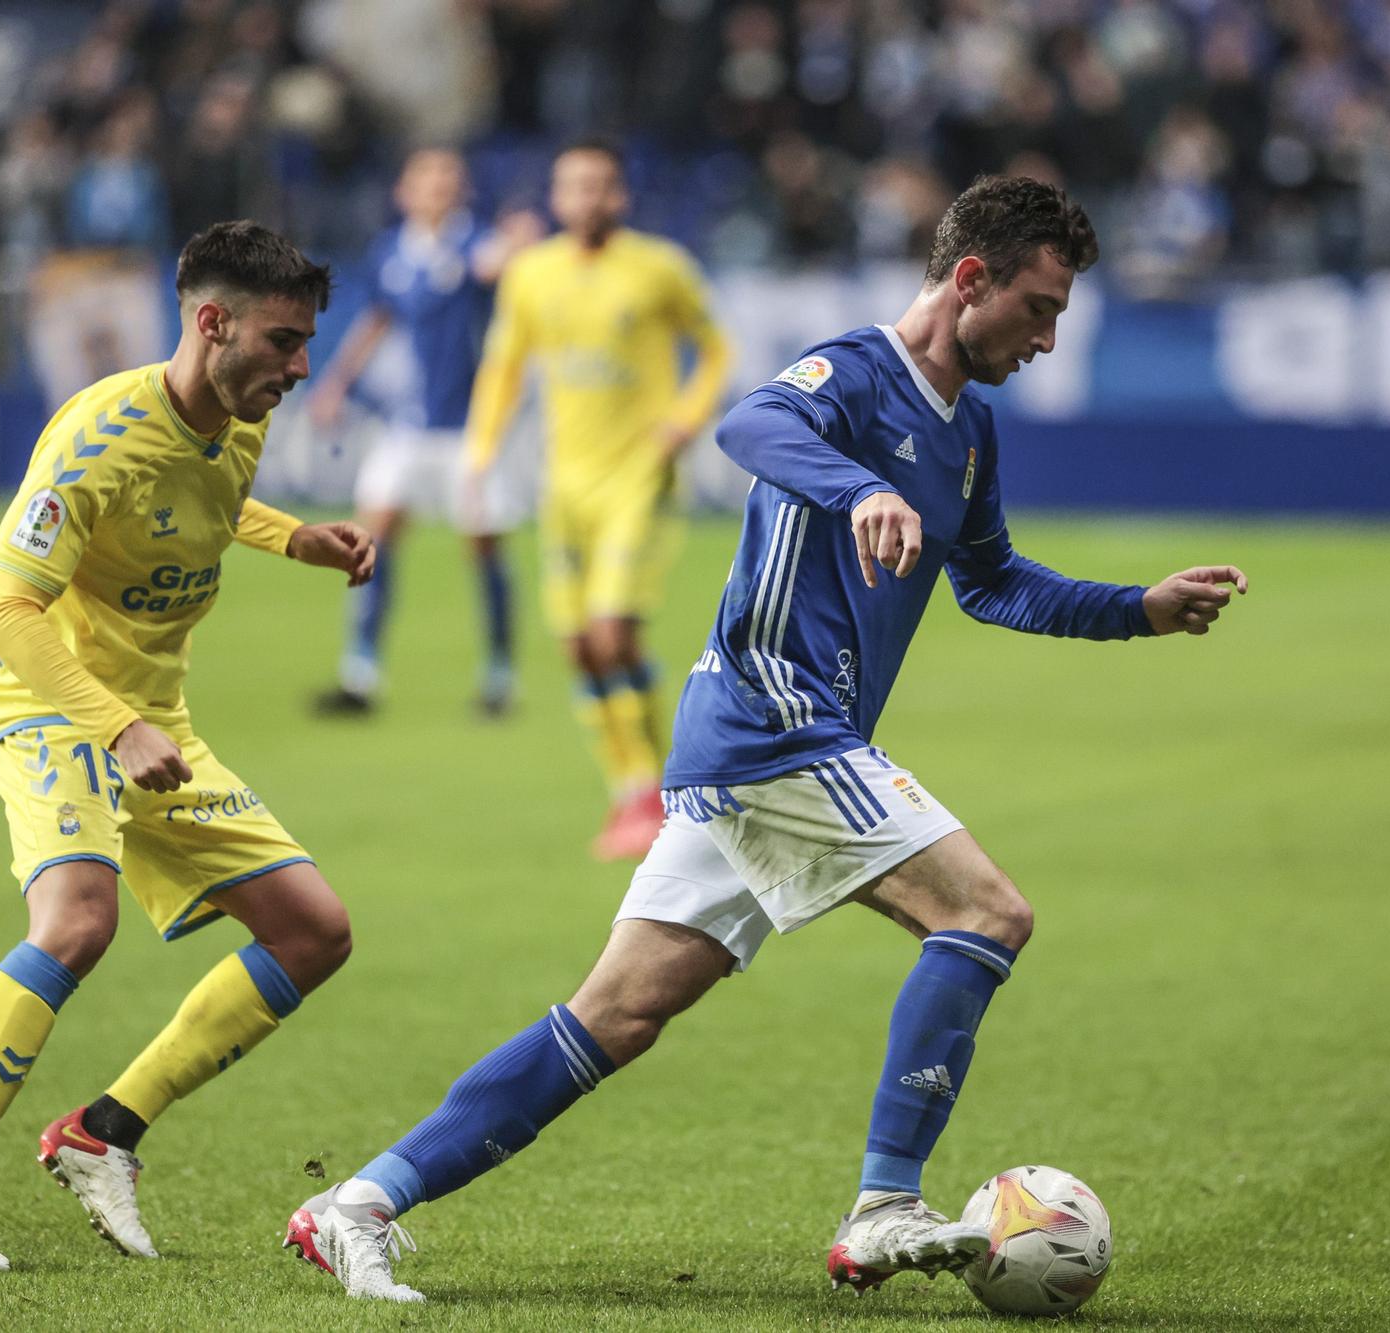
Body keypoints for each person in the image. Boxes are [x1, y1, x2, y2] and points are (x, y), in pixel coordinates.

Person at [282, 175, 1246, 1302]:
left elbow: (990, 585)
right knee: (986, 912)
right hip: (772, 718)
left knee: (616, 1015)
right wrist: (854, 494)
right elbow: (750, 422)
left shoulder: (968, 432)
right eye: (1037, 307)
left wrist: (1138, 607)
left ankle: (356, 1201)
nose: (1048, 336)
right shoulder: (851, 373)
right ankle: (883, 1204)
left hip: (765, 747)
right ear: (969, 279)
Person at [0, 221, 373, 1271]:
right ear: (212, 322)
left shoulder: (238, 417)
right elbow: (9, 609)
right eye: (285, 342)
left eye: (304, 344)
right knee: (76, 919)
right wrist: (117, 723)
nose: (300, 366)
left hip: (158, 725)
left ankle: (103, 1132)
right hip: (55, 709)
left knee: (313, 931)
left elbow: (210, 495)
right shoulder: (96, 435)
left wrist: (295, 537)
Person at [460, 138, 732, 859]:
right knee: (580, 647)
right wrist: (480, 450)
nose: (588, 199)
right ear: (556, 197)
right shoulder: (531, 275)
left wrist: (685, 418)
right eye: (574, 187)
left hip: (638, 477)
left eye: (601, 186)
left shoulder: (659, 269)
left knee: (614, 633)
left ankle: (662, 788)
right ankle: (631, 792)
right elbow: (504, 365)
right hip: (565, 483)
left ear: (622, 196)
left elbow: (715, 350)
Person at [309, 147, 542, 717]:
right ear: (404, 191)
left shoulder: (474, 245)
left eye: (448, 177)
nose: (438, 186)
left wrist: (521, 242)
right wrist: (336, 382)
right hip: (407, 425)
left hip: (470, 429)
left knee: (482, 546)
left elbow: (505, 262)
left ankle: (499, 677)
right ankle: (359, 675)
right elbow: (377, 318)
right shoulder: (393, 252)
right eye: (427, 176)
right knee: (371, 536)